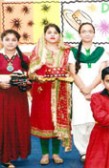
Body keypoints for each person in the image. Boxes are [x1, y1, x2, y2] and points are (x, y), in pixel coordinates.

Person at [29, 23, 72, 165]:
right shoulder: (38, 50)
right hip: (42, 90)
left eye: (55, 32)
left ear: (59, 35)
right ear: (45, 35)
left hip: (60, 89)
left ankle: (55, 153)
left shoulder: (66, 50)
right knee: (44, 122)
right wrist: (38, 77)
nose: (52, 35)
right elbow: (31, 72)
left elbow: (70, 70)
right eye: (49, 32)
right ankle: (45, 154)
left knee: (58, 122)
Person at [68, 22, 108, 162]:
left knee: (95, 119)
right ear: (79, 34)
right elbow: (73, 72)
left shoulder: (101, 50)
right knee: (80, 120)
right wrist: (83, 89)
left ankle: (96, 149)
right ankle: (83, 151)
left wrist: (90, 88)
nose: (87, 33)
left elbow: (102, 71)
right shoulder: (73, 51)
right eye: (84, 31)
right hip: (79, 90)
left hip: (97, 88)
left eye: (90, 31)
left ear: (94, 33)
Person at [0, 30, 31, 168]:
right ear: (2, 41)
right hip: (2, 97)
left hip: (19, 98)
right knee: (3, 125)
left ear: (18, 41)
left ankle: (14, 154)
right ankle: (4, 157)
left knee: (16, 125)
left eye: (13, 39)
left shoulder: (24, 58)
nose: (10, 42)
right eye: (7, 39)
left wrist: (25, 83)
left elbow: (29, 80)